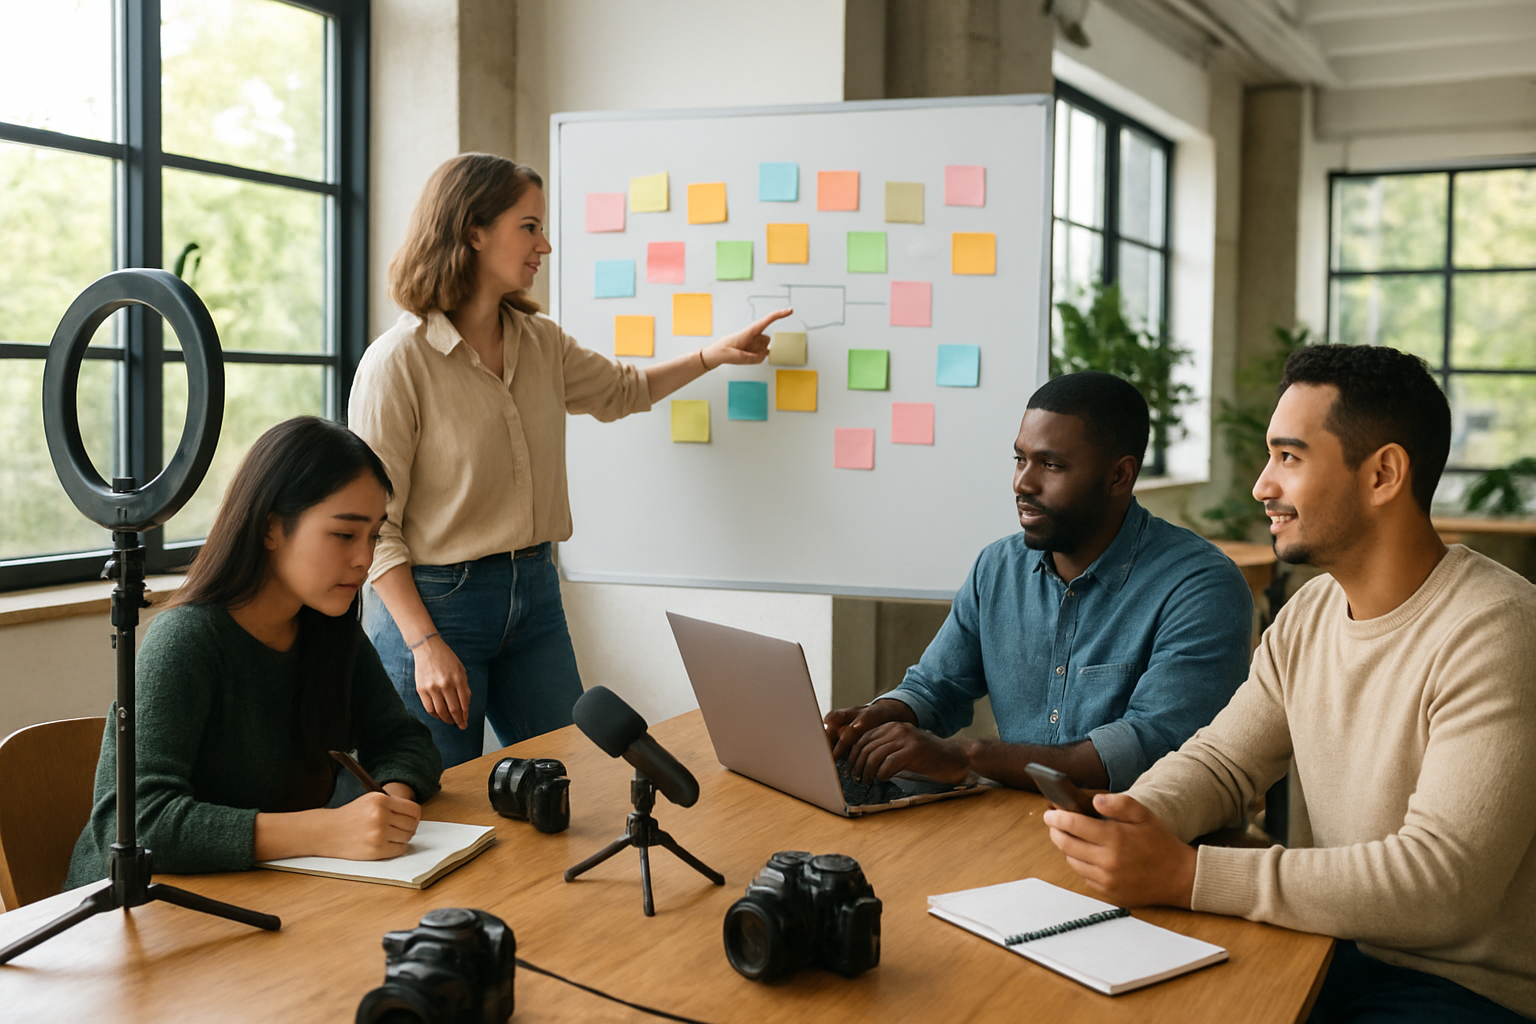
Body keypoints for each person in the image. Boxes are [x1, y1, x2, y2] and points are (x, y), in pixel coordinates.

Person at [1045, 346, 1536, 1023]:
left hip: (1465, 990)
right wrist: (1137, 817)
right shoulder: (1308, 612)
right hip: (1333, 947)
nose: (1262, 486)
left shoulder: (1500, 630)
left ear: (1384, 474)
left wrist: (1187, 876)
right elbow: (1221, 762)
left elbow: (1441, 883)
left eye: (1289, 458)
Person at [349, 153, 789, 769]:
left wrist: (713, 356)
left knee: (560, 783)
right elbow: (376, 527)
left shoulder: (541, 342)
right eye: (529, 226)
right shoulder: (398, 362)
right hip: (437, 605)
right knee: (437, 802)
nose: (545, 245)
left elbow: (623, 390)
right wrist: (423, 644)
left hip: (533, 590)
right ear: (473, 230)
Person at [824, 371, 1253, 792]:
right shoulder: (997, 567)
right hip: (1015, 828)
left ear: (1120, 476)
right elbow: (936, 686)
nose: (1022, 483)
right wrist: (879, 716)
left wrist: (967, 757)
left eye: (1051, 464)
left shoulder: (1201, 586)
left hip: (1137, 840)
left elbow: (1152, 747)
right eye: (1020, 459)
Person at [67, 417, 442, 884]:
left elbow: (405, 740)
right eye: (345, 535)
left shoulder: (328, 627)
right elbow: (135, 823)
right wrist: (321, 831)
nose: (364, 559)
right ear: (270, 528)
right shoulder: (186, 640)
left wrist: (390, 803)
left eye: (374, 536)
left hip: (261, 889)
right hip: (135, 915)